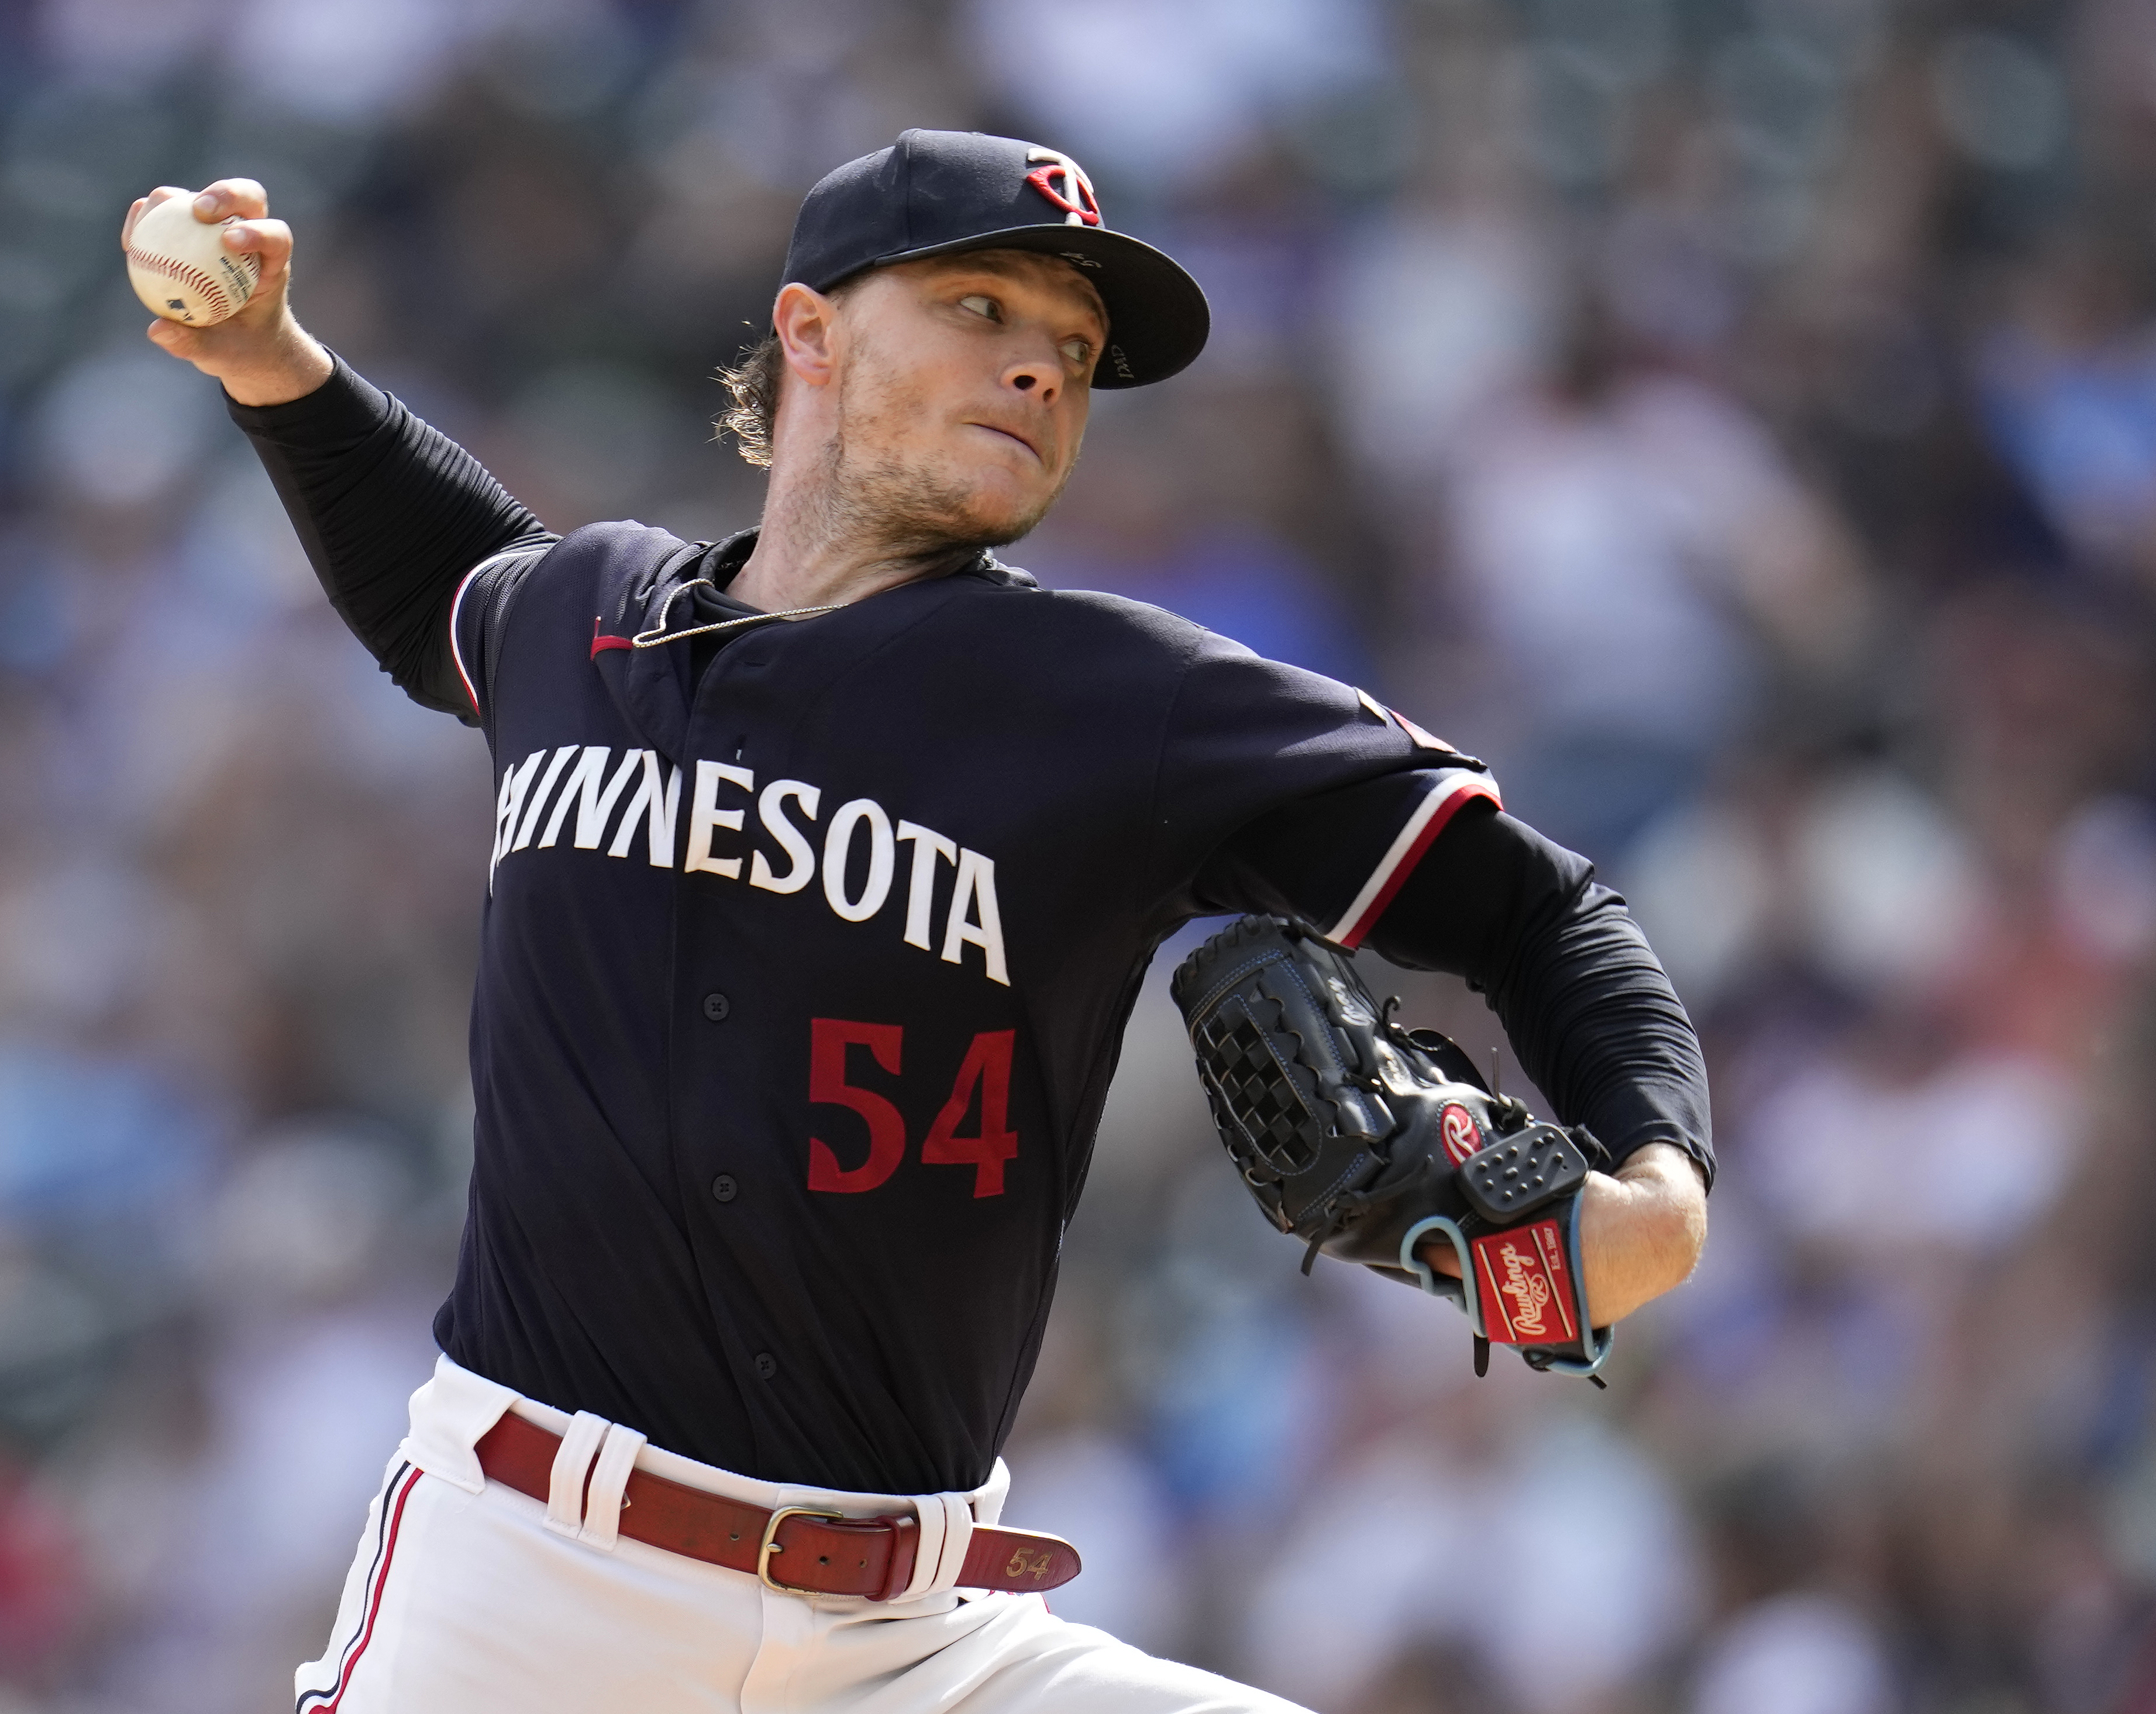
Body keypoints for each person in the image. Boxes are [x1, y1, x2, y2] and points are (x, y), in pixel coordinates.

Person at [125, 129, 1712, 1713]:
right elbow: (445, 581)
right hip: (530, 1597)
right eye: (981, 308)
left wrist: (1659, 1184)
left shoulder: (1120, 703)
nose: (1041, 370)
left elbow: (1545, 908)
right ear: (808, 332)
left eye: (1074, 352)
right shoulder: (582, 618)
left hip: (919, 1644)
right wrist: (271, 361)